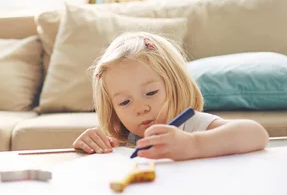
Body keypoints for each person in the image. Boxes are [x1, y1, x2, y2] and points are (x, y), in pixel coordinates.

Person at [72, 32, 268, 160]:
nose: (141, 108)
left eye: (151, 93)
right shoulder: (127, 139)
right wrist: (90, 145)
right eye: (124, 102)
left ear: (175, 85)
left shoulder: (194, 125)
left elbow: (256, 134)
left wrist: (194, 145)